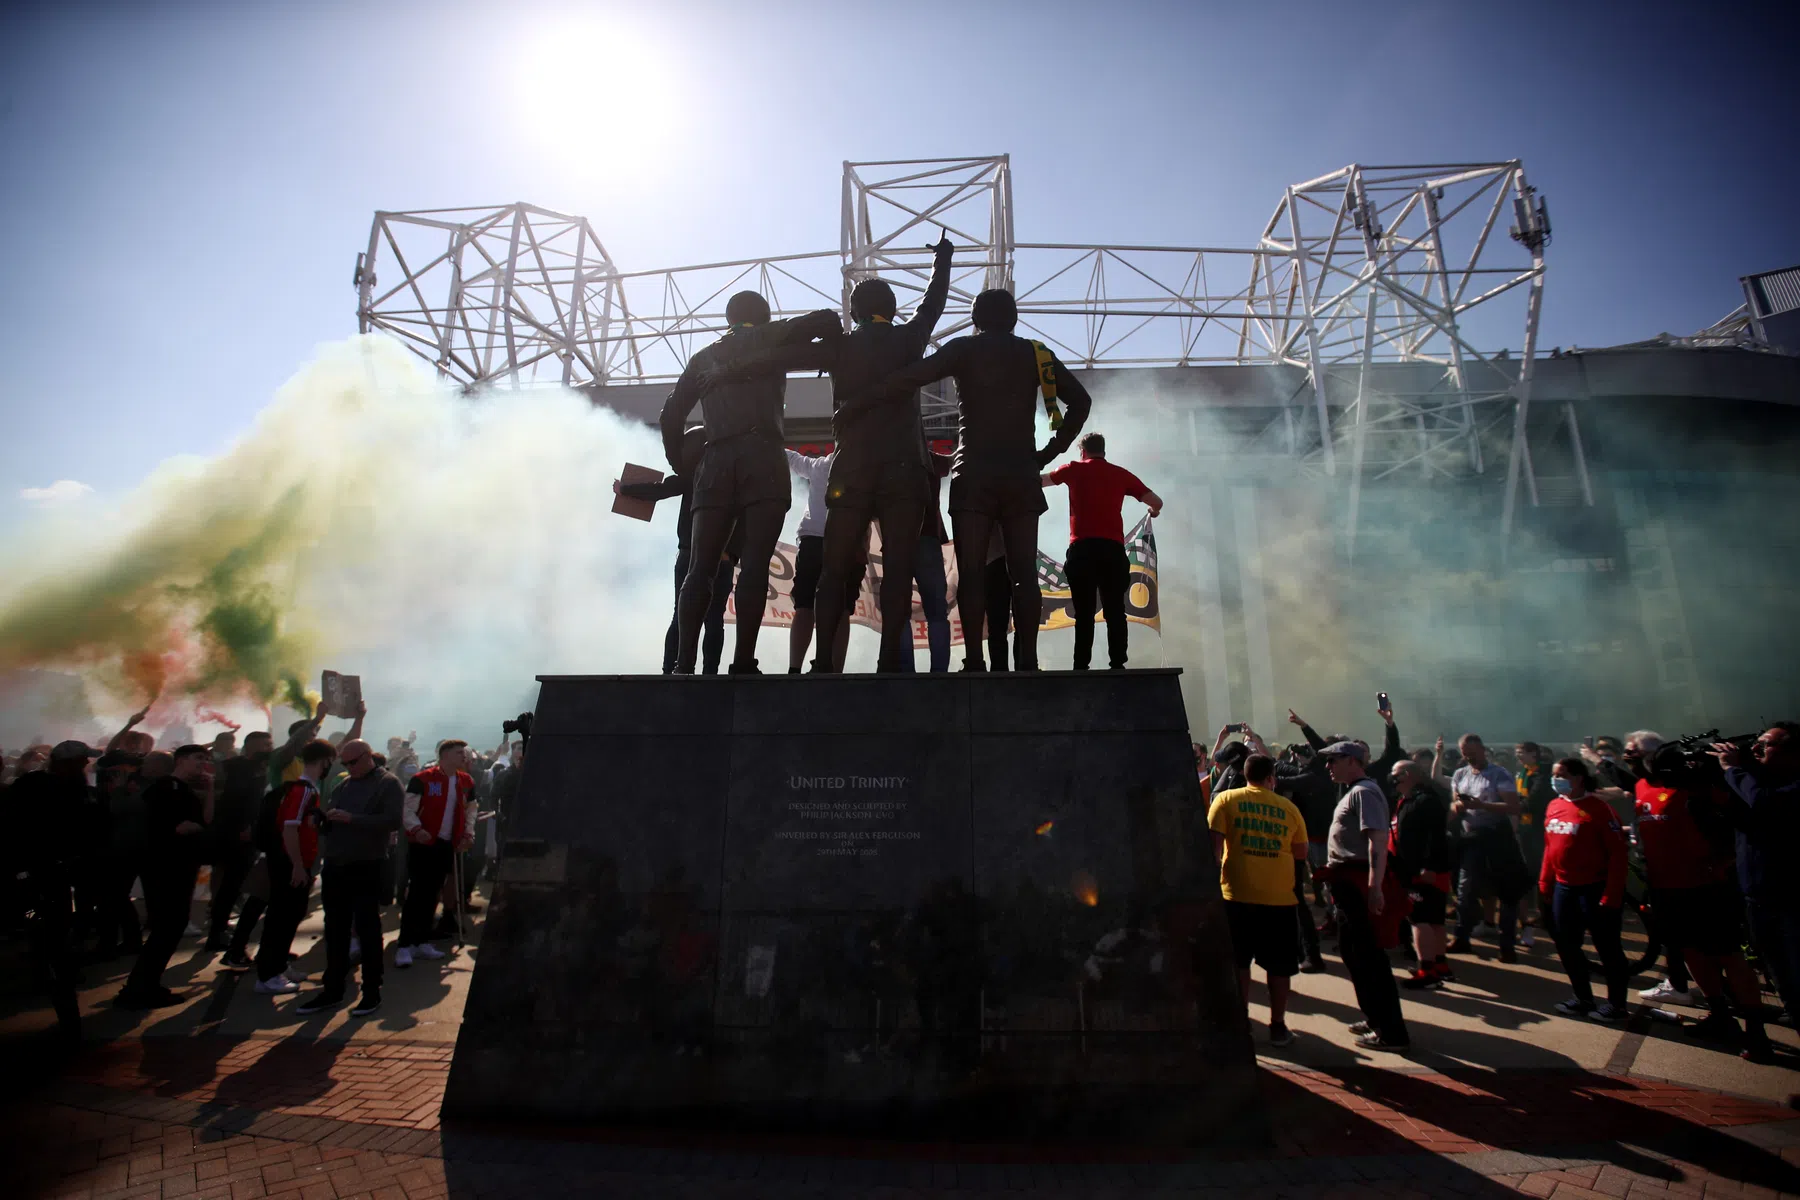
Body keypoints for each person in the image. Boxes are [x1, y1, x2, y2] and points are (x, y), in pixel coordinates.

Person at [849, 288, 1091, 671]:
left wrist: (863, 395)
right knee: (1023, 574)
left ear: (976, 319)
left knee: (972, 573)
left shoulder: (963, 349)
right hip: (1021, 474)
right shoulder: (1036, 353)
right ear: (1013, 318)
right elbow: (1081, 401)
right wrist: (1048, 452)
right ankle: (1027, 661)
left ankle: (975, 660)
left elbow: (912, 376)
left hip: (973, 474)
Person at [658, 294, 842, 674]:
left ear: (729, 318)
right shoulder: (770, 335)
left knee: (699, 569)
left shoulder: (703, 357)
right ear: (763, 317)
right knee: (755, 565)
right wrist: (830, 349)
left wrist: (681, 463)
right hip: (764, 459)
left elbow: (670, 414)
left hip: (716, 460)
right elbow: (825, 318)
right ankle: (743, 661)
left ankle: (683, 665)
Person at [1603, 732, 1772, 1060]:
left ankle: (1756, 1032)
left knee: (1728, 956)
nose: (1630, 758)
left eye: (1636, 753)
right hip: (1664, 889)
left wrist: (1718, 866)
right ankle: (1719, 1015)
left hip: (1706, 890)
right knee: (1690, 951)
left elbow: (1734, 829)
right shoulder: (1642, 787)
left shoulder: (1698, 788)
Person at [615, 426, 737, 675]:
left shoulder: (692, 475)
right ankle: (710, 675)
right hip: (722, 557)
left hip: (690, 554)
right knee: (714, 618)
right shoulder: (733, 477)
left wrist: (624, 489)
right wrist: (732, 554)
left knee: (680, 616)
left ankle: (671, 670)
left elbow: (658, 490)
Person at [1039, 431, 1164, 670]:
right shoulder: (1121, 474)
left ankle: (1081, 665)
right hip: (1112, 552)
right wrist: (1153, 512)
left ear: (1082, 451)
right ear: (1103, 451)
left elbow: (1041, 481)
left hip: (1082, 550)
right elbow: (1156, 502)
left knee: (1083, 613)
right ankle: (1117, 663)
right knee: (1115, 611)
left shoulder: (1073, 469)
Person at [1208, 753, 1309, 1047]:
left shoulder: (1225, 800)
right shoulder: (1289, 808)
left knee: (1239, 963)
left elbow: (1214, 851)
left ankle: (1241, 1023)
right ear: (1271, 778)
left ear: (1244, 774)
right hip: (1279, 899)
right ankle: (1278, 1026)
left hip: (1236, 895)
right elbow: (1301, 853)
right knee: (1279, 967)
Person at [295, 739, 401, 1016]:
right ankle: (333, 989)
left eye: (353, 762)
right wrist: (321, 820)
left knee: (367, 928)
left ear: (368, 757)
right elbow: (333, 821)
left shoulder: (387, 783)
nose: (349, 767)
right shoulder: (343, 785)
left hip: (367, 863)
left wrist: (352, 819)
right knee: (335, 929)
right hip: (336, 864)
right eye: (345, 763)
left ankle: (371, 991)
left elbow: (392, 820)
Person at [1320, 740, 1409, 1049]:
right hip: (1347, 885)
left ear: (1353, 761)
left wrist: (1374, 887)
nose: (1328, 766)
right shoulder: (1356, 791)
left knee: (1370, 958)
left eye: (1334, 760)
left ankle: (1391, 1032)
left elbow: (1377, 842)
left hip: (1358, 885)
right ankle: (1374, 1018)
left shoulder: (1364, 792)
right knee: (1354, 953)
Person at [1711, 722, 1800, 1028]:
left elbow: (1764, 802)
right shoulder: (1754, 781)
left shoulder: (1789, 787)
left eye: (1765, 745)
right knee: (1775, 966)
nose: (1755, 749)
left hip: (1790, 899)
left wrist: (1732, 769)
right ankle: (1793, 1012)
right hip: (1756, 895)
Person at [118, 743, 214, 1009]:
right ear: (180, 760)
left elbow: (204, 820)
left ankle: (145, 985)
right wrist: (188, 827)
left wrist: (209, 793)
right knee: (167, 926)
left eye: (205, 759)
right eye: (197, 758)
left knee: (172, 925)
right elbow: (172, 827)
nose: (202, 763)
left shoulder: (184, 790)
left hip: (180, 867)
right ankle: (140, 988)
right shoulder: (164, 789)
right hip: (167, 869)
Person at [13, 741, 96, 1038]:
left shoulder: (74, 788)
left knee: (55, 929)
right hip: (39, 870)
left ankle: (52, 973)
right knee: (48, 927)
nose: (85, 765)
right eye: (81, 761)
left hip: (56, 870)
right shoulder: (37, 786)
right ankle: (52, 975)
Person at [1539, 756, 1631, 1023]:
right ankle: (1583, 998)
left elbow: (1617, 854)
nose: (1556, 780)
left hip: (1594, 888)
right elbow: (1549, 847)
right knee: (1567, 945)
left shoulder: (1600, 809)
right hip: (1564, 888)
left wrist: (1612, 894)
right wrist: (1545, 882)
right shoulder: (1554, 805)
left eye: (1562, 775)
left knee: (1608, 948)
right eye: (1554, 775)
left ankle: (1616, 1005)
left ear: (1579, 778)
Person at [252, 739, 334, 996]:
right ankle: (268, 974)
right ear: (324, 761)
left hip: (296, 862)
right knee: (281, 917)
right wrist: (297, 865)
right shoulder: (303, 791)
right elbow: (290, 829)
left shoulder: (305, 789)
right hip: (290, 863)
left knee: (291, 915)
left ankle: (279, 965)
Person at [397, 740, 476, 967]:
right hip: (423, 843)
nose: (464, 756)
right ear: (445, 755)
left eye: (464, 752)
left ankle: (422, 941)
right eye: (459, 752)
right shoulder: (422, 779)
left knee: (434, 893)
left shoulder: (466, 781)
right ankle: (404, 945)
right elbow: (408, 810)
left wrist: (468, 834)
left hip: (447, 844)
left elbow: (471, 810)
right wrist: (417, 829)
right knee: (417, 894)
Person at [1448, 733, 1526, 962]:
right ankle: (1461, 937)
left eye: (1473, 752)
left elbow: (1514, 806)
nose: (1469, 757)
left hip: (1498, 839)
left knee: (1507, 893)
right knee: (1465, 890)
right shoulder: (1460, 774)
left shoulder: (1499, 774)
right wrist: (1458, 807)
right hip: (1471, 839)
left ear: (1483, 749)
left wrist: (1483, 805)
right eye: (1465, 753)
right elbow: (1454, 803)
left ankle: (1507, 945)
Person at [784, 448, 856, 672]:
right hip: (847, 543)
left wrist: (768, 443)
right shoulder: (864, 468)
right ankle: (835, 670)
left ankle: (794, 669)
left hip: (813, 541)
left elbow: (791, 458)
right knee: (842, 608)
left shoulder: (819, 466)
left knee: (804, 605)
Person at [1389, 760, 1454, 989]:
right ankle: (1439, 965)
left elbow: (1436, 836)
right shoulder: (1408, 799)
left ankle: (1427, 971)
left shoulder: (1426, 800)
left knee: (1420, 919)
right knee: (1434, 919)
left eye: (1396, 775)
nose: (1392, 779)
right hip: (1417, 868)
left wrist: (1429, 867)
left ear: (1408, 774)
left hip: (1424, 871)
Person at [205, 731, 269, 951]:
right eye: (264, 744)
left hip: (243, 835)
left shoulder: (258, 770)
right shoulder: (233, 768)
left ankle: (219, 928)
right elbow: (230, 799)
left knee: (232, 886)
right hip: (233, 835)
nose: (268, 749)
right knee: (230, 885)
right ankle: (217, 932)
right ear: (250, 745)